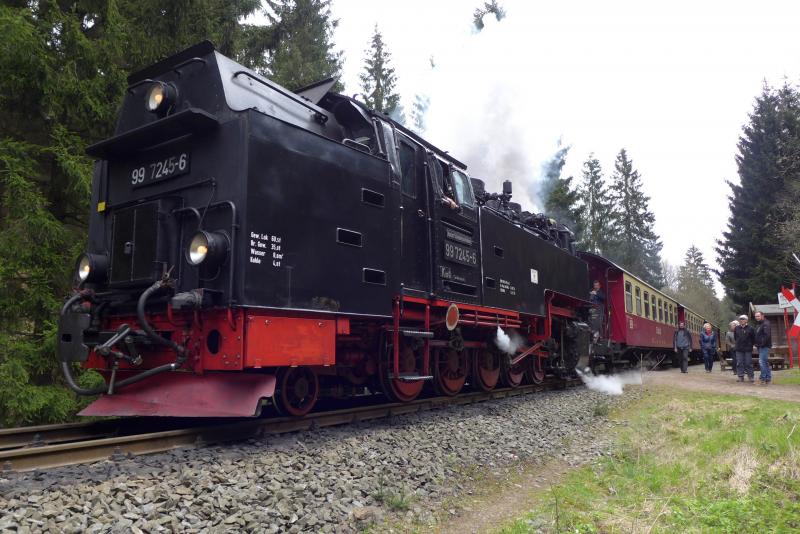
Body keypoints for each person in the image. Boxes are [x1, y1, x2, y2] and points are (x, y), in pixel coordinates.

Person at [734, 314, 755, 383]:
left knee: (748, 363)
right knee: (739, 363)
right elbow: (735, 337)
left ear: (746, 320)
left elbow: (753, 338)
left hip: (748, 349)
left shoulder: (751, 328)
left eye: (743, 319)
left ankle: (751, 376)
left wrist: (750, 345)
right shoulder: (736, 328)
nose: (742, 320)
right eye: (740, 319)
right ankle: (740, 376)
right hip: (739, 348)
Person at [754, 311, 772, 385]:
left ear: (762, 316)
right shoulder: (760, 324)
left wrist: (761, 344)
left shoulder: (766, 323)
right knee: (764, 362)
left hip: (764, 346)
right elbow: (758, 335)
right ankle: (768, 378)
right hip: (760, 346)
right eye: (756, 316)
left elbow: (767, 335)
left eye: (758, 316)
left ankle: (763, 379)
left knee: (761, 362)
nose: (757, 318)